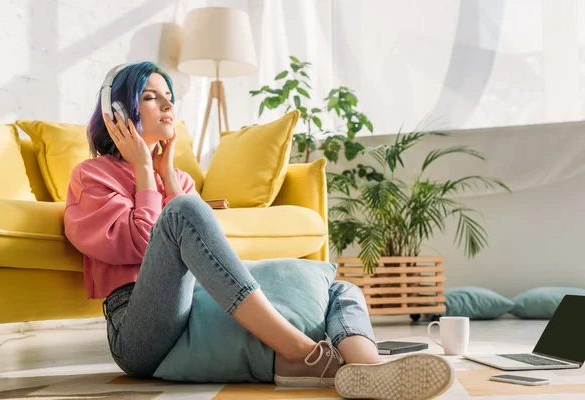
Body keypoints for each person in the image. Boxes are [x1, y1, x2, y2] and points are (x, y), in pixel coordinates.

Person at [64, 61, 454, 400]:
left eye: (169, 96)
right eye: (151, 97)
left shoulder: (178, 179)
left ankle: (367, 369)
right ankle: (302, 352)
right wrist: (147, 173)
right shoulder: (92, 176)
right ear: (118, 112)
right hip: (136, 328)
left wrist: (166, 175)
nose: (168, 105)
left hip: (193, 303)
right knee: (185, 209)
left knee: (337, 287)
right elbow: (140, 246)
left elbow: (205, 260)